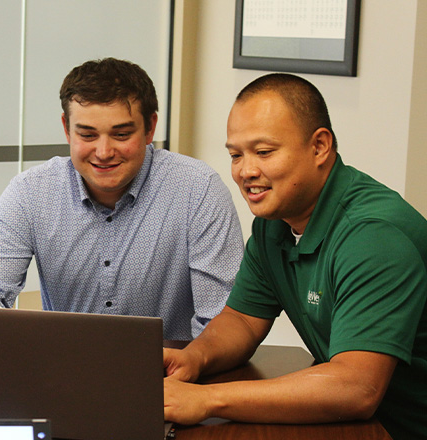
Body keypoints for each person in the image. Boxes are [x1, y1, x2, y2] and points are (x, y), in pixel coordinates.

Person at [162, 73, 427, 439]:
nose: (246, 171)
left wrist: (206, 400)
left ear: (319, 146)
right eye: (236, 155)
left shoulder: (373, 237)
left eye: (264, 152)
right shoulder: (275, 223)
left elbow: (356, 387)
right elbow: (241, 320)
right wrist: (194, 357)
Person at [0, 58, 243, 340]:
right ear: (67, 128)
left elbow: (221, 320)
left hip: (174, 376)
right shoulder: (31, 192)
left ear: (150, 128)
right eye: (88, 135)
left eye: (121, 134)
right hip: (63, 372)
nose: (103, 152)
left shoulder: (197, 190)